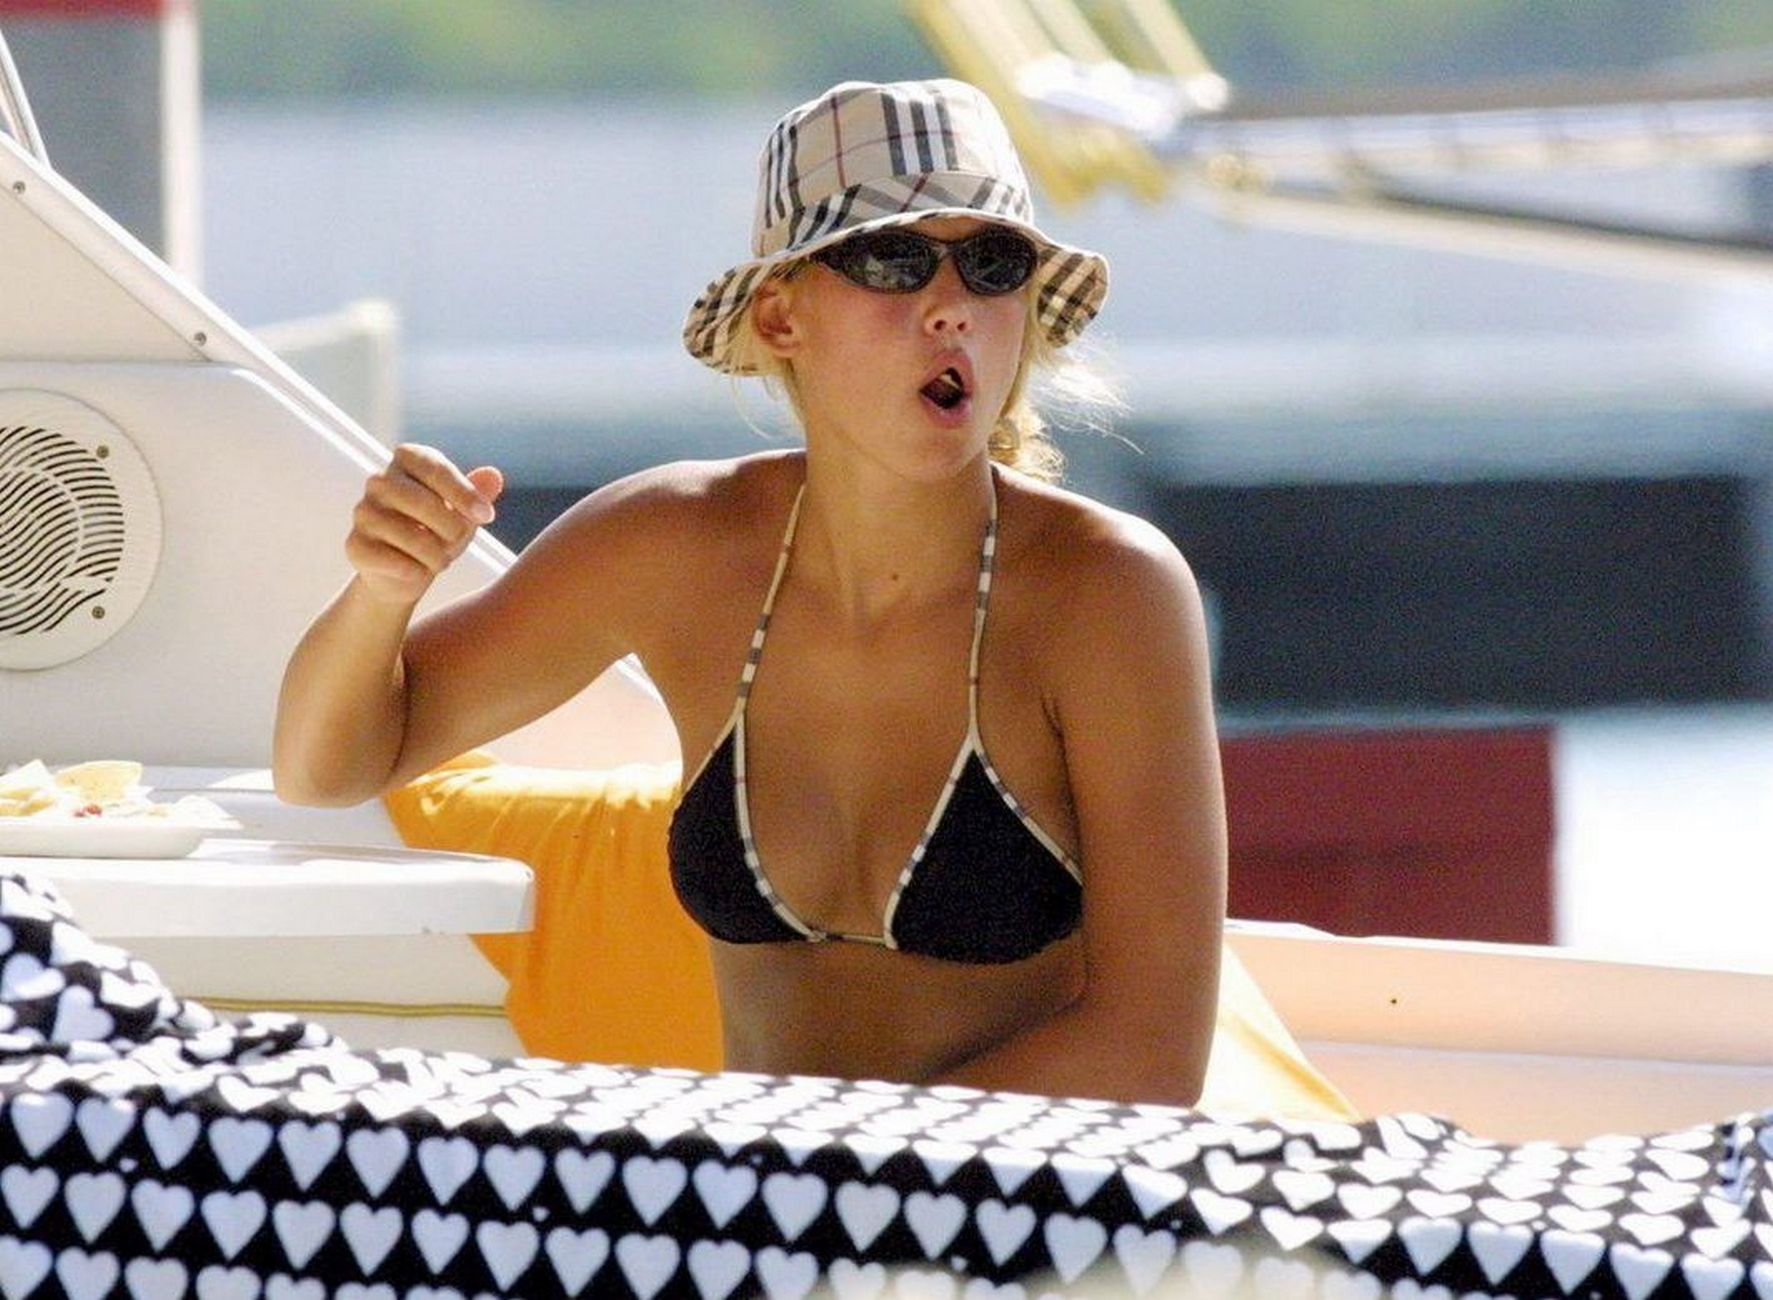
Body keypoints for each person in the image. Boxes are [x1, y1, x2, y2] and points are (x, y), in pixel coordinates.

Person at [275, 79, 1226, 1107]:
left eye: (992, 265)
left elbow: (1152, 1056)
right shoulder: (672, 544)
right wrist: (383, 591)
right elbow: (324, 769)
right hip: (767, 1185)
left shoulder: (1105, 590)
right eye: (893, 261)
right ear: (780, 316)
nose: (951, 305)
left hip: (1008, 1194)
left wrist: (826, 1161)